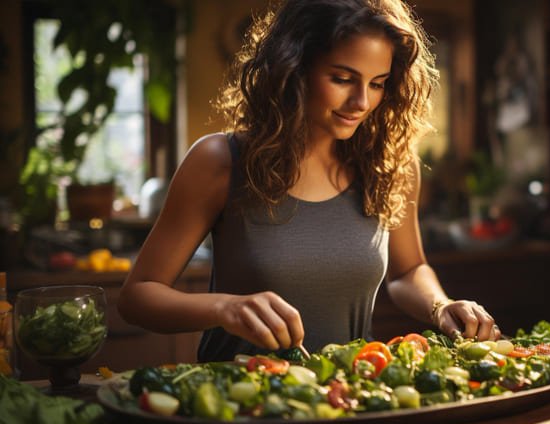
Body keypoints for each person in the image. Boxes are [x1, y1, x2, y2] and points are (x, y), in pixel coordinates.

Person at [118, 0, 501, 362]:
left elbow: (407, 271)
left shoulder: (392, 164)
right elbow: (137, 298)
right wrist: (226, 308)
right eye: (342, 78)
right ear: (293, 67)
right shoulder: (221, 161)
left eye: (378, 83)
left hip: (346, 400)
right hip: (234, 403)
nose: (361, 102)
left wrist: (440, 306)